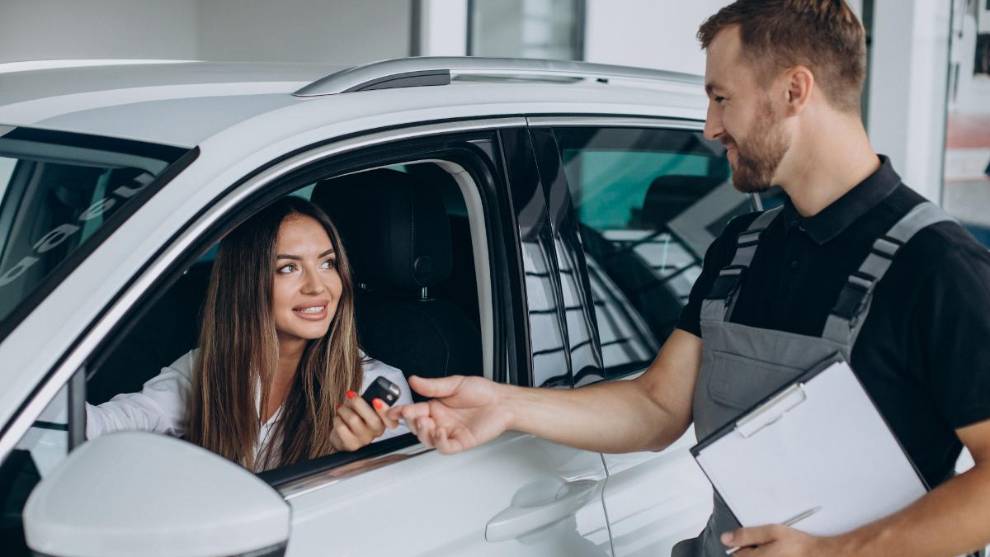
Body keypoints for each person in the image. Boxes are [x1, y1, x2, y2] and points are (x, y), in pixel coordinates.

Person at [390, 1, 990, 555]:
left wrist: (833, 553)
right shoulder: (743, 249)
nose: (709, 127)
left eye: (722, 98)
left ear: (794, 90)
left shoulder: (937, 268)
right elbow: (656, 407)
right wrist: (505, 404)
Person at [87, 197, 411, 471]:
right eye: (288, 268)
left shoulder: (375, 387)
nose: (318, 286)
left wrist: (353, 460)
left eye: (327, 264)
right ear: (247, 283)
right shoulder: (208, 367)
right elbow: (119, 421)